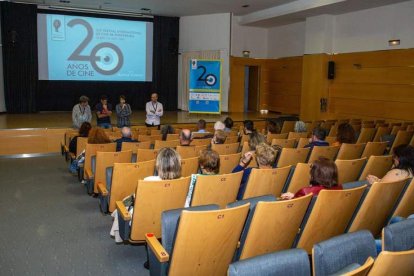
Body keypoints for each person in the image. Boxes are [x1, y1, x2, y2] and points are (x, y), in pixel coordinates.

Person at [110, 147, 182, 243]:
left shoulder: (148, 181)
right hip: (171, 221)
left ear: (158, 165)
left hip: (146, 221)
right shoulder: (184, 181)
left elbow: (136, 202)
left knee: (124, 203)